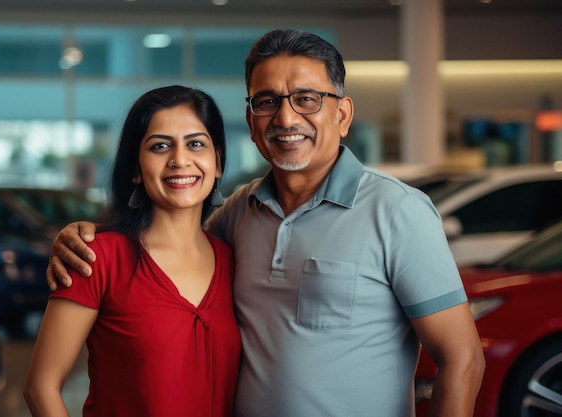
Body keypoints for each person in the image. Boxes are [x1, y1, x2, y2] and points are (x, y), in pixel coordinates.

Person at [46, 30, 485, 417]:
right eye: (267, 101)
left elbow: (462, 358)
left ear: (343, 114)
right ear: (252, 125)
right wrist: (82, 235)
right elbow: (169, 242)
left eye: (307, 99)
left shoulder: (398, 210)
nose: (287, 118)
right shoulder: (239, 212)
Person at [24, 85, 241, 417]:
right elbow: (41, 388)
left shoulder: (235, 260)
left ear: (218, 162)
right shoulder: (96, 258)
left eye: (196, 143)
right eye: (160, 146)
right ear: (136, 169)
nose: (180, 159)